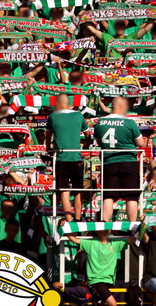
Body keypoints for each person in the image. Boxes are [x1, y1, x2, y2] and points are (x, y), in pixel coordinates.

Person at [95, 96, 144, 222]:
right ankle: (133, 228)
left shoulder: (100, 122)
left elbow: (98, 142)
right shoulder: (129, 122)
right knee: (131, 197)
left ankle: (105, 227)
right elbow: (140, 143)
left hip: (109, 161)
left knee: (108, 196)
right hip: (128, 161)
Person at [46, 93, 88, 222]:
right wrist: (85, 147)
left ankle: (69, 220)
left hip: (60, 158)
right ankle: (77, 219)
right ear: (69, 104)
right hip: (75, 158)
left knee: (64, 191)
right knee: (78, 190)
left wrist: (48, 148)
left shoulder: (53, 116)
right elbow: (87, 135)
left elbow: (48, 136)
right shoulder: (78, 115)